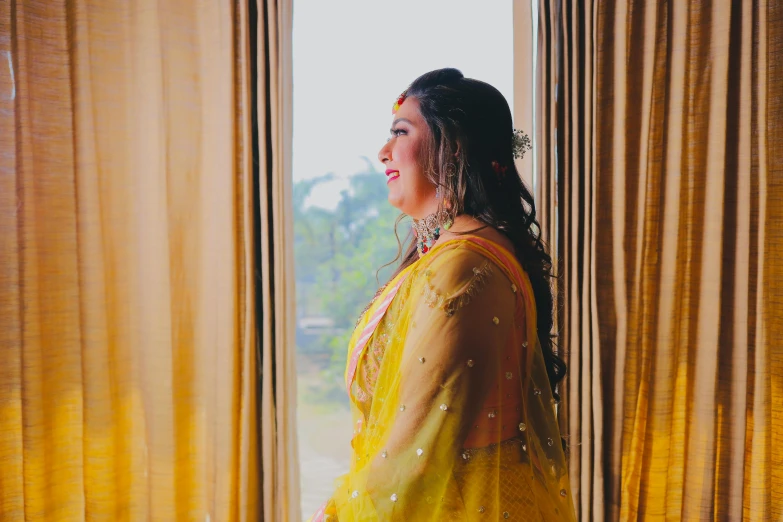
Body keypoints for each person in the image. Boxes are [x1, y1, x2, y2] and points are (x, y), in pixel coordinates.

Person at [309, 68, 575, 521]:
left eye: (400, 131)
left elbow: (415, 450)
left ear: (452, 147)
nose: (383, 152)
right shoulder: (463, 255)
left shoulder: (463, 269)